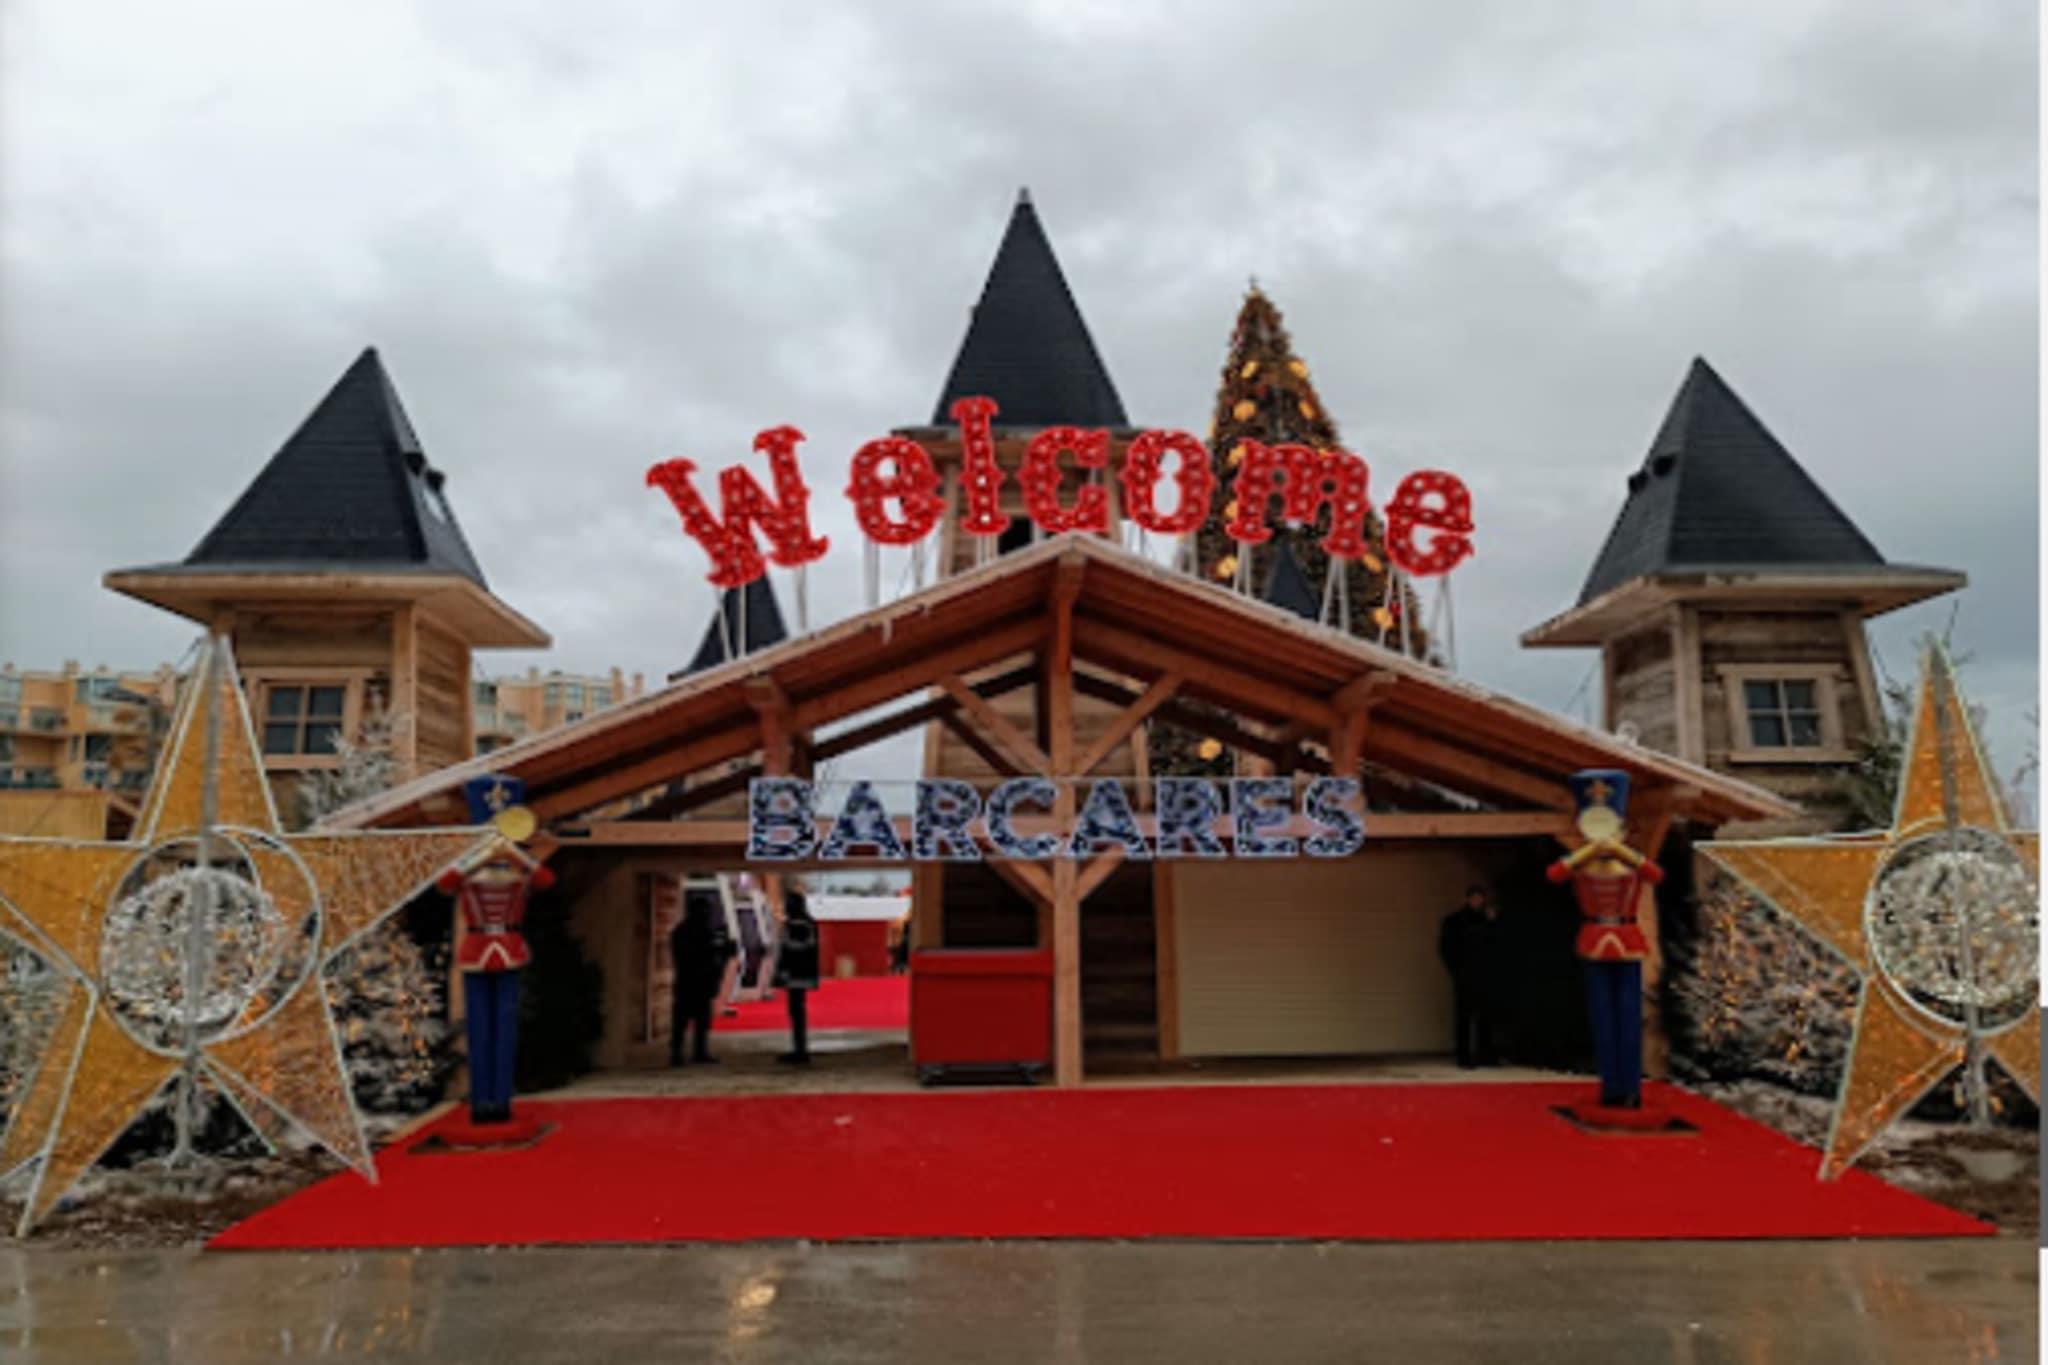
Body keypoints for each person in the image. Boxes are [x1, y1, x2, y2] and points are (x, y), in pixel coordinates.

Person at [1438, 884, 1502, 1069]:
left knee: (1486, 1016)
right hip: (1465, 974)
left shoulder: (1488, 920)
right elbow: (1446, 948)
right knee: (1464, 1016)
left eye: (1480, 898)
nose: (1477, 901)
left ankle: (1486, 1055)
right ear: (1467, 899)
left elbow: (1496, 944)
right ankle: (1464, 1056)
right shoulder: (1454, 921)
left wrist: (1492, 923)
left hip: (1486, 975)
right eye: (1474, 898)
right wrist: (1456, 971)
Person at [670, 888, 736, 1066]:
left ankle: (690, 1052)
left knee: (696, 1019)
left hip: (693, 981)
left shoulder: (684, 931)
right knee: (686, 1019)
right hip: (692, 980)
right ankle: (684, 1053)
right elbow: (702, 954)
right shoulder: (694, 932)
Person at [774, 885, 821, 1065]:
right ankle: (800, 1048)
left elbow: (790, 950)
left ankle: (800, 1050)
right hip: (805, 973)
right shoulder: (809, 923)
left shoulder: (795, 924)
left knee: (796, 1011)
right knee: (798, 1010)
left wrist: (782, 969)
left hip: (795, 974)